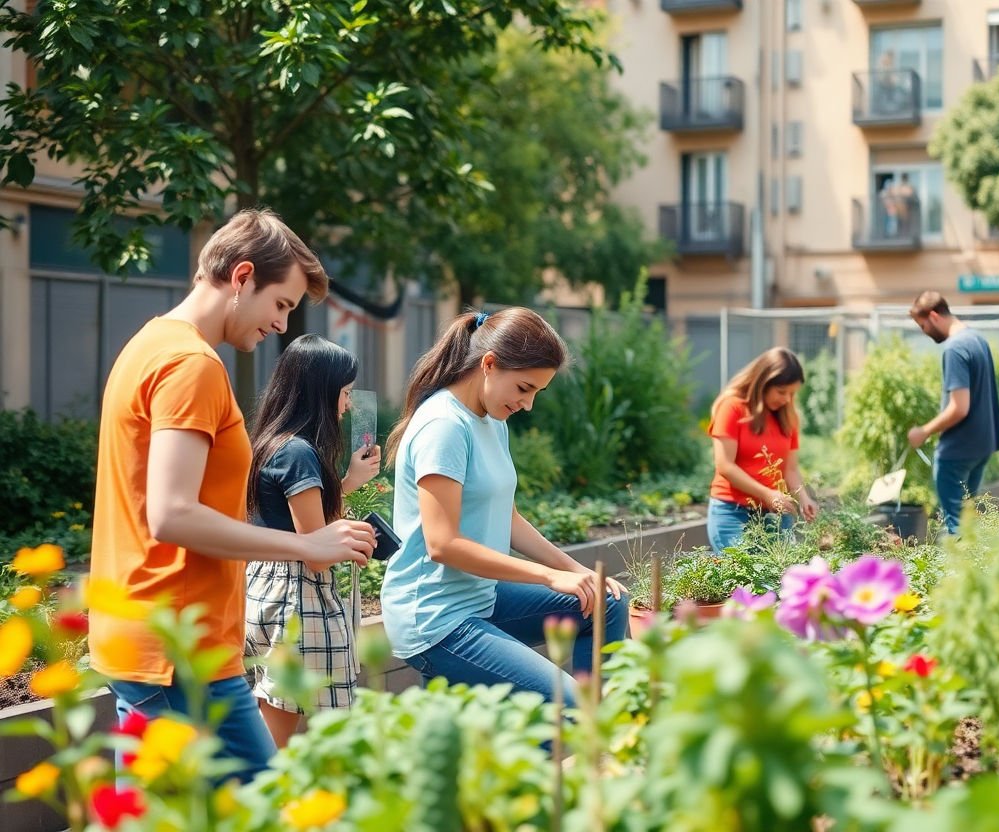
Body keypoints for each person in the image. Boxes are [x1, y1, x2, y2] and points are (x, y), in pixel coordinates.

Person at [89, 209, 375, 782]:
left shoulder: (152, 344)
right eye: (282, 304)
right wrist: (306, 545)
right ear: (242, 277)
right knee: (248, 806)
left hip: (162, 639)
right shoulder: (191, 364)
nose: (282, 323)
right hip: (177, 646)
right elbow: (171, 515)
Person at [381, 308, 628, 706]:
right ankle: (583, 739)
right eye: (524, 388)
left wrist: (577, 571)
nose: (527, 404)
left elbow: (508, 518)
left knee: (606, 603)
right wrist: (549, 578)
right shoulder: (444, 426)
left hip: (480, 597)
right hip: (436, 616)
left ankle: (607, 733)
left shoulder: (493, 420)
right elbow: (443, 545)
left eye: (536, 393)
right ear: (489, 365)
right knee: (568, 708)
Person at [244, 335, 382, 748]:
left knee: (270, 711)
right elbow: (316, 551)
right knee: (279, 732)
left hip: (267, 584)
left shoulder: (275, 444)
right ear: (321, 392)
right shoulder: (300, 453)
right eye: (344, 393)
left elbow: (303, 528)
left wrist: (350, 482)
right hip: (297, 596)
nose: (348, 405)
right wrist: (356, 541)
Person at [907, 292, 999, 536]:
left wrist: (924, 431)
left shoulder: (954, 348)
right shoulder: (977, 340)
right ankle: (975, 571)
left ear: (933, 316)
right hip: (982, 445)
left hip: (958, 450)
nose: (924, 332)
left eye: (923, 325)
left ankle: (957, 573)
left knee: (956, 524)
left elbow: (959, 407)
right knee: (967, 518)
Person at [706, 347, 818, 554]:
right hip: (732, 513)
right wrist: (767, 494)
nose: (786, 399)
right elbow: (725, 465)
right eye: (781, 392)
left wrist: (804, 499)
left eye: (792, 393)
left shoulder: (788, 417)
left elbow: (790, 470)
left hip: (774, 515)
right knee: (746, 579)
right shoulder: (732, 407)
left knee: (777, 578)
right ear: (762, 383)